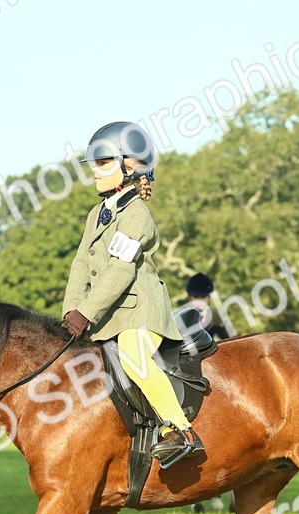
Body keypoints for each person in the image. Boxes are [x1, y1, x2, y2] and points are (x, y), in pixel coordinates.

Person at [63, 121, 202, 467]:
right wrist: (70, 309)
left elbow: (121, 270)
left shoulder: (137, 214)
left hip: (141, 312)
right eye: (95, 164)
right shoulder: (97, 213)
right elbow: (81, 263)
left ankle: (180, 429)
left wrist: (87, 312)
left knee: (134, 358)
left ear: (130, 166)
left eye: (103, 163)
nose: (94, 172)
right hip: (106, 316)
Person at [181, 273, 233, 340]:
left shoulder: (219, 318)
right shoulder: (182, 319)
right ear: (189, 297)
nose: (199, 301)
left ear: (209, 297)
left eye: (203, 297)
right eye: (196, 297)